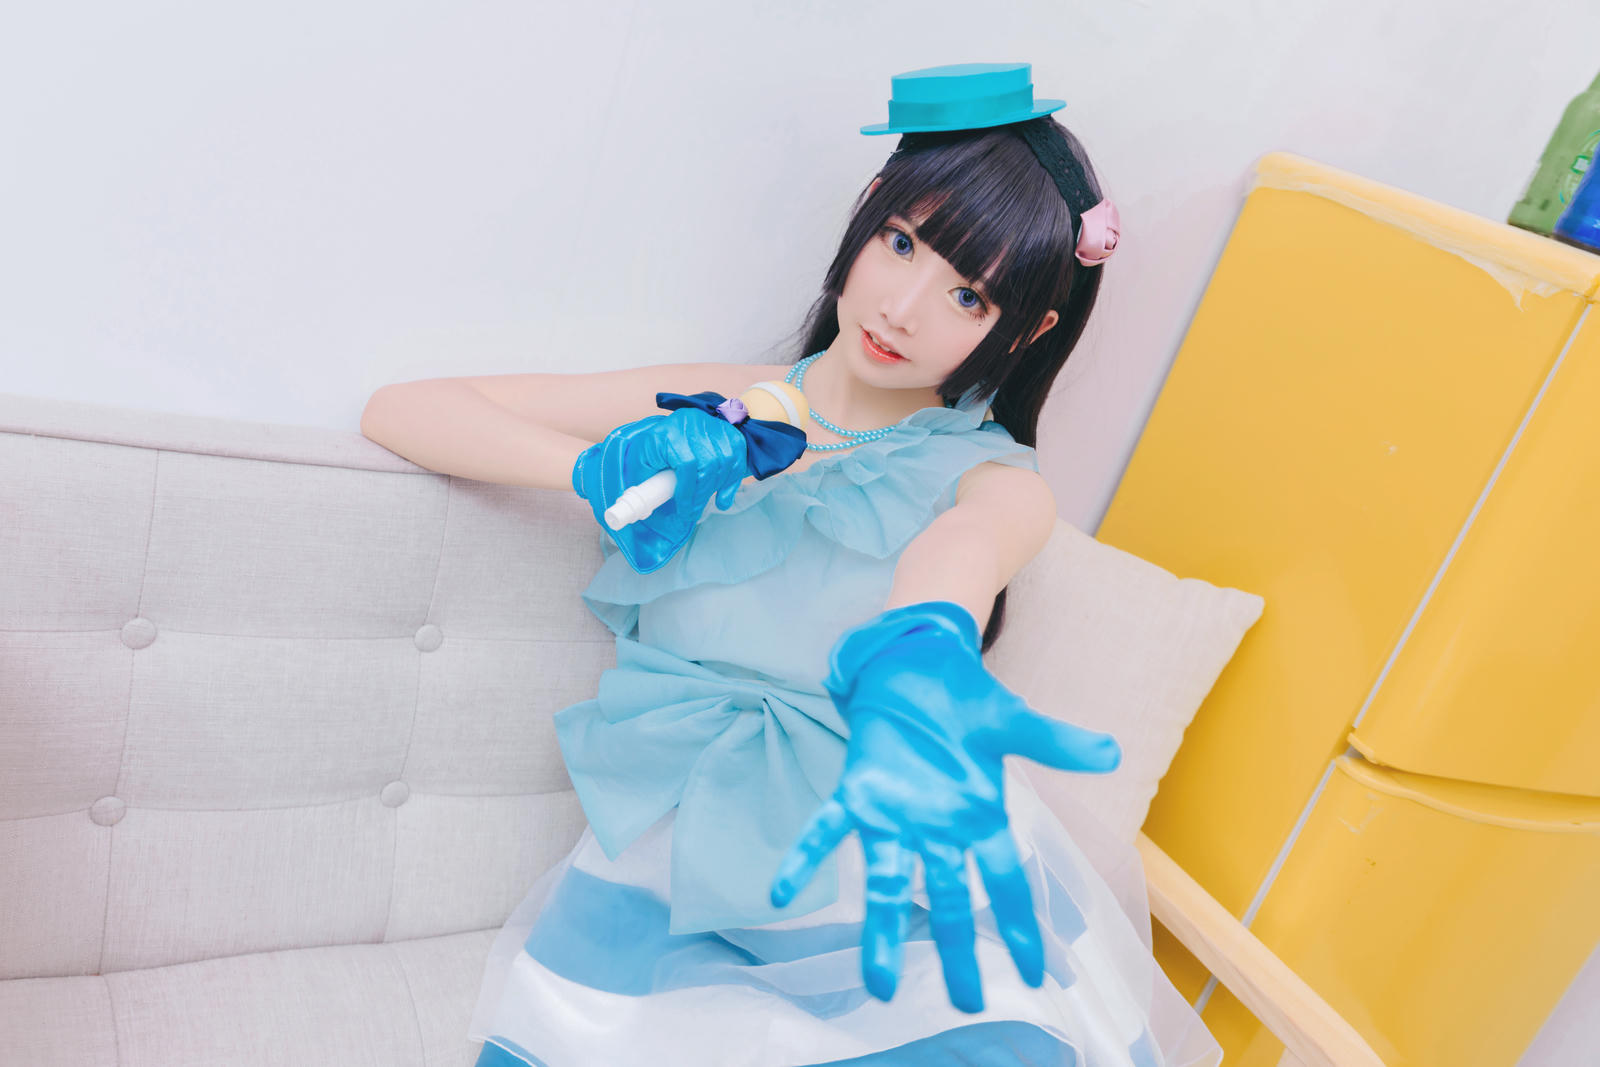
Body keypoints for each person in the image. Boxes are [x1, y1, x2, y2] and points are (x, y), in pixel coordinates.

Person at [362, 61, 1222, 1067]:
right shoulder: (714, 404)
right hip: (679, 863)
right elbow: (402, 409)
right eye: (900, 243)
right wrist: (598, 473)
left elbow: (965, 550)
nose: (903, 308)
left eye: (967, 295)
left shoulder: (994, 478)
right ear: (868, 208)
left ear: (1023, 331)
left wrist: (920, 645)